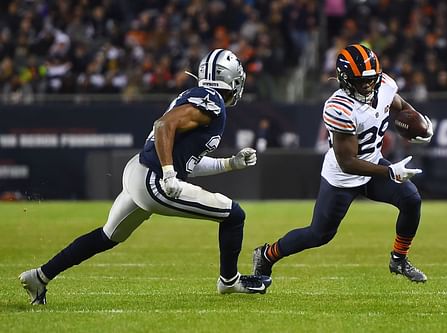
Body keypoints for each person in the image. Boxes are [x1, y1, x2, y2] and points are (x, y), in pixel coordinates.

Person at [19, 49, 272, 305]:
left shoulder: (195, 96)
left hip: (138, 173)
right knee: (234, 215)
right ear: (229, 78)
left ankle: (39, 276)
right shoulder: (211, 100)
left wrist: (230, 163)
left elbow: (185, 162)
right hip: (154, 180)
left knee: (107, 236)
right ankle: (229, 281)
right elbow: (163, 126)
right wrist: (169, 175)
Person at [252, 44, 433, 284]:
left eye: (371, 80)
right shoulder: (339, 107)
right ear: (345, 80)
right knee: (319, 234)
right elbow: (347, 162)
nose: (368, 86)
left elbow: (400, 106)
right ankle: (267, 254)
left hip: (373, 164)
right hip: (342, 178)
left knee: (411, 200)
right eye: (361, 81)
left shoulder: (386, 86)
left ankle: (399, 259)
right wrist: (390, 171)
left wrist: (418, 123)